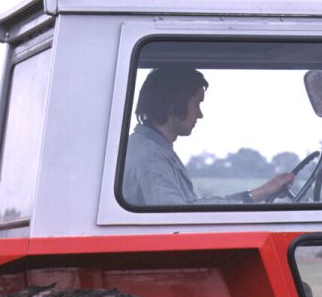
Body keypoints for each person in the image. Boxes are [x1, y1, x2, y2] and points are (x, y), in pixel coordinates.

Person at [124, 66, 296, 206]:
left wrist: (261, 192)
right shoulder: (152, 158)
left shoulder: (154, 149)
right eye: (197, 103)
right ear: (173, 104)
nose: (200, 115)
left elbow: (190, 207)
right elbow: (176, 222)